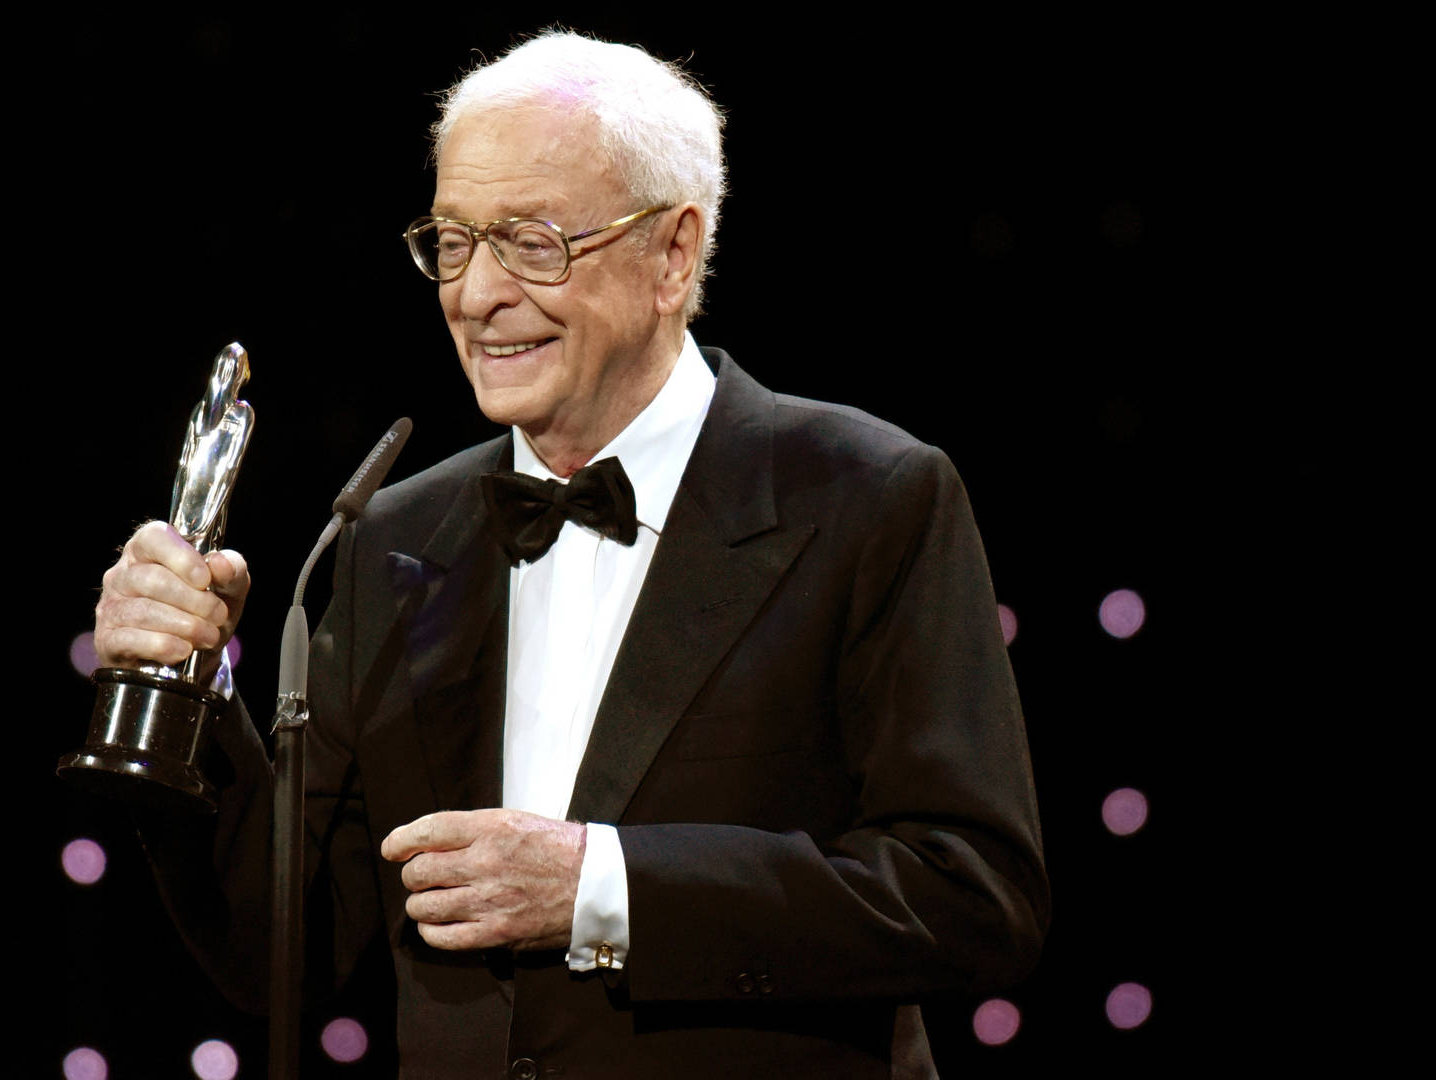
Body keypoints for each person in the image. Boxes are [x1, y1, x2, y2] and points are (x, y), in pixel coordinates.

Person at [94, 31, 1048, 1078]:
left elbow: (972, 894)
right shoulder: (395, 539)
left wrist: (604, 886)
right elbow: (287, 947)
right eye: (452, 243)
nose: (476, 294)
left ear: (673, 252)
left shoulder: (868, 498)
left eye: (531, 241)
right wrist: (184, 685)